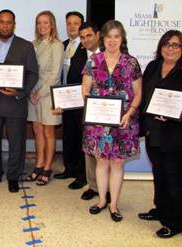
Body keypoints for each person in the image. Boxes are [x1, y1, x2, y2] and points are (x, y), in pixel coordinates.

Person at [139, 30, 182, 238]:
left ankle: (174, 222)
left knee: (174, 177)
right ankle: (160, 209)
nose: (170, 48)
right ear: (161, 47)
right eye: (166, 44)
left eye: (175, 45)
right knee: (159, 175)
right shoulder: (152, 67)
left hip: (179, 133)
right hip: (155, 131)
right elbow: (145, 97)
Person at [82, 20, 142, 222]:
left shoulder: (131, 62)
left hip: (124, 120)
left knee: (117, 162)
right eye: (109, 36)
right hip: (98, 121)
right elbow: (85, 90)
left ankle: (114, 205)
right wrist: (93, 109)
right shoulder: (92, 61)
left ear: (122, 38)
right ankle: (101, 200)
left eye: (116, 36)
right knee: (101, 161)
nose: (112, 40)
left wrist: (130, 112)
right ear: (103, 38)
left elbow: (138, 93)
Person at [0, 9, 39, 193]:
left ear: (14, 24)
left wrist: (20, 92)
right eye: (2, 22)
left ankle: (13, 176)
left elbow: (33, 73)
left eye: (9, 22)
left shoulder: (26, 46)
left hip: (15, 102)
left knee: (16, 142)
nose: (5, 25)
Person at [25, 10, 64, 186]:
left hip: (48, 94)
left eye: (45, 23)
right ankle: (39, 164)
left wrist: (38, 94)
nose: (42, 26)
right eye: (39, 23)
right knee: (37, 130)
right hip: (33, 93)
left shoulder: (57, 45)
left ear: (52, 25)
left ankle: (48, 167)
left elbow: (55, 75)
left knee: (49, 132)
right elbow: (29, 71)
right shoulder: (32, 44)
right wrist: (30, 92)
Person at [68, 22, 105, 200]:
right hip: (84, 110)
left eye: (89, 35)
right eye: (82, 37)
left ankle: (106, 189)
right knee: (89, 150)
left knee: (104, 152)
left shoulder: (109, 55)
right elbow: (73, 81)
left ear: (98, 35)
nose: (86, 40)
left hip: (105, 111)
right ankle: (93, 185)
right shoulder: (79, 54)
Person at [55, 11, 85, 182]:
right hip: (65, 99)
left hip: (81, 100)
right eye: (69, 23)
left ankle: (82, 175)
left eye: (76, 23)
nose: (72, 26)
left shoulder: (87, 47)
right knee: (68, 135)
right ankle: (69, 168)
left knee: (81, 137)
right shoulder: (63, 45)